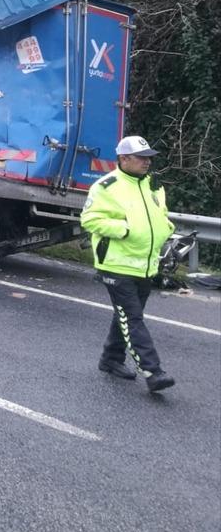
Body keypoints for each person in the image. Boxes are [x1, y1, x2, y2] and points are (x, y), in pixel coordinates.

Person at [81, 135, 178, 393]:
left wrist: (165, 228)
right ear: (124, 159)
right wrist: (125, 229)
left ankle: (110, 359)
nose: (148, 162)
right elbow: (89, 219)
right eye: (142, 157)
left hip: (145, 265)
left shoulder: (154, 186)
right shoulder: (106, 186)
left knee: (125, 315)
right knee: (132, 318)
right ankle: (153, 371)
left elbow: (161, 216)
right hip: (116, 264)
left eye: (149, 157)